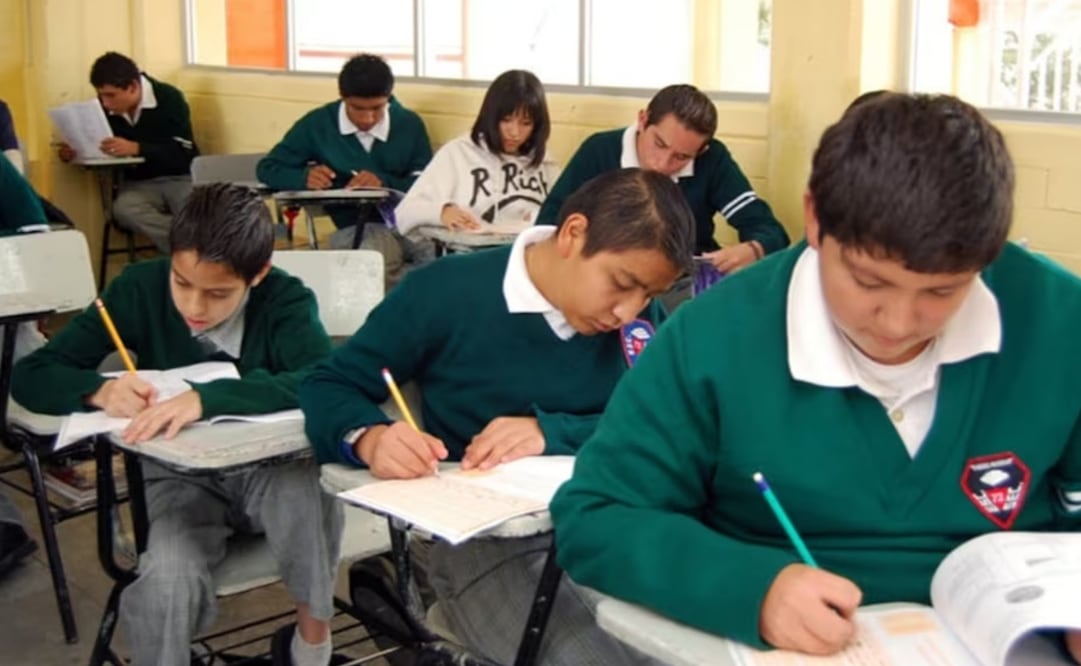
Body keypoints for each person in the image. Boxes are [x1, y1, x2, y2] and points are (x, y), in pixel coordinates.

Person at [546, 93, 1081, 663]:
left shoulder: (1059, 321)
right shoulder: (714, 336)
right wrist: (753, 590)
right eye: (869, 283)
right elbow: (596, 516)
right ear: (815, 218)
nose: (899, 325)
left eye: (943, 291)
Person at [300, 168, 694, 665]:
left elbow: (669, 427)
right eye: (622, 284)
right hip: (487, 545)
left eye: (650, 296)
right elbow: (329, 383)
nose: (628, 312)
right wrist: (371, 438)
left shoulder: (636, 324)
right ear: (573, 234)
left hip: (615, 528)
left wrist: (553, 432)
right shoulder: (445, 292)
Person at [12, 184, 343, 666]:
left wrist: (206, 399)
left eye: (218, 293)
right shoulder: (138, 288)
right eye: (182, 282)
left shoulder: (285, 298)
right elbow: (32, 374)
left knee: (303, 487)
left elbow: (319, 378)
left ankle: (312, 643)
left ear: (258, 275)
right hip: (180, 481)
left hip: (270, 472)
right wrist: (97, 390)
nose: (194, 307)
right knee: (167, 577)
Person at [536, 84, 789, 276]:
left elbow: (771, 231)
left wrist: (753, 250)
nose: (662, 164)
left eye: (681, 157)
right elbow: (548, 225)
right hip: (609, 279)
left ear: (701, 151)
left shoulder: (712, 160)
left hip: (681, 286)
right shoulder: (600, 151)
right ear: (643, 120)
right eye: (659, 144)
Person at [257, 54, 433, 283]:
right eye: (357, 108)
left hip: (408, 222)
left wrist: (384, 182)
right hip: (355, 225)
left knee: (442, 258)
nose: (368, 118)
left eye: (377, 108)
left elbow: (427, 181)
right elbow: (268, 167)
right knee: (377, 261)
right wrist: (304, 177)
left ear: (389, 98)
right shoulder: (317, 124)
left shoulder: (409, 123)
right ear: (342, 98)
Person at [58, 52, 197, 253]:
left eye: (111, 95)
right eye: (101, 95)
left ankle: (187, 250)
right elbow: (99, 144)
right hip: (139, 183)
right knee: (125, 210)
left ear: (132, 87)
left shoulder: (169, 98)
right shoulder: (103, 110)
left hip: (179, 178)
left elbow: (184, 152)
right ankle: (189, 245)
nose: (105, 103)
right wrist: (76, 151)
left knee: (196, 211)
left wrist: (137, 148)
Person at [395, 69, 558, 237]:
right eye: (506, 120)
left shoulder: (545, 163)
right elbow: (404, 213)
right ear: (491, 117)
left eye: (526, 123)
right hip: (469, 250)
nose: (515, 132)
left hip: (527, 249)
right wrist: (443, 212)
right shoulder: (458, 154)